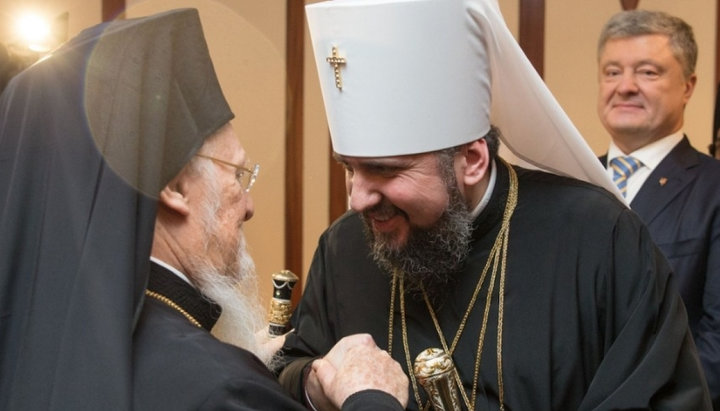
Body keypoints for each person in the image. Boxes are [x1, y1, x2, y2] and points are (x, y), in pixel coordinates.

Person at [278, 0, 712, 409]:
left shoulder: (601, 237)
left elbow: (662, 396)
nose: (358, 200)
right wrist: (318, 382)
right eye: (350, 169)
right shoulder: (343, 247)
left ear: (471, 160)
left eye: (386, 171)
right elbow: (291, 367)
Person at [0, 8, 407, 410]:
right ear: (175, 188)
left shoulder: (39, 342)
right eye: (237, 176)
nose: (248, 207)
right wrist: (372, 398)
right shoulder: (223, 390)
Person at [596, 10, 720, 407]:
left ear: (688, 85)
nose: (625, 87)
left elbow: (716, 340)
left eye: (648, 72)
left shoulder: (714, 187)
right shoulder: (567, 182)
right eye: (612, 72)